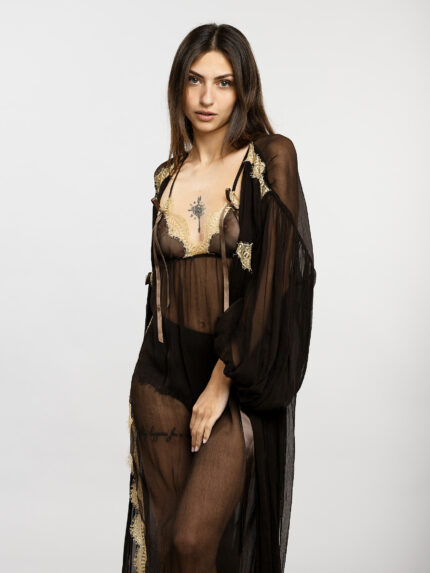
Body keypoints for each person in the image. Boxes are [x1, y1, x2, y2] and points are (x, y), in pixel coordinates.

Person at [122, 23, 316, 573]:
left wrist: (221, 381)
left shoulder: (270, 159)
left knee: (193, 540)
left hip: (233, 372)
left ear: (243, 89)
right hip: (160, 377)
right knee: (167, 547)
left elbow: (278, 282)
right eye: (195, 80)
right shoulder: (167, 176)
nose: (207, 97)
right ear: (178, 88)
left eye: (223, 82)